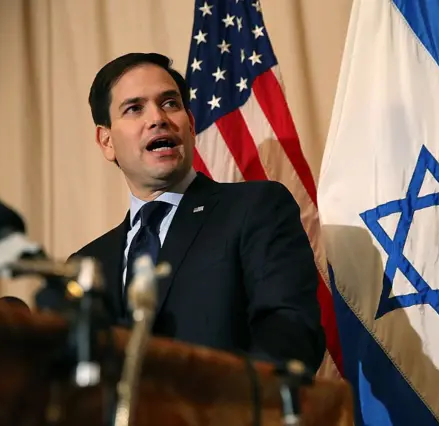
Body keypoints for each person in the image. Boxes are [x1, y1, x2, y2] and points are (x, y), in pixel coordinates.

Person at [70, 53, 325, 371]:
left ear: (190, 124)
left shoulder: (254, 209)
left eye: (169, 103)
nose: (158, 118)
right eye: (135, 108)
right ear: (106, 141)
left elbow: (290, 334)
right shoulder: (86, 266)